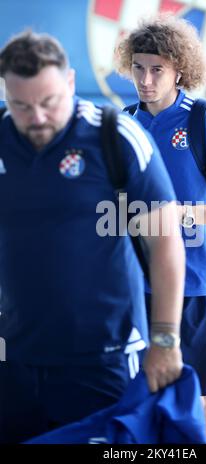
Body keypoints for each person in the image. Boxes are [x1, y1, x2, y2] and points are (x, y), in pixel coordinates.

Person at [0, 30, 186, 444]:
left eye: (48, 102)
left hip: (103, 361)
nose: (38, 118)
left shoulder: (114, 137)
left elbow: (166, 240)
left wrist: (165, 339)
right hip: (14, 359)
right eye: (21, 106)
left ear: (69, 82)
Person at [115, 14, 206, 444]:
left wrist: (182, 214)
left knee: (201, 395)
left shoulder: (203, 120)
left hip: (197, 280)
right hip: (137, 284)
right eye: (138, 66)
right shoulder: (123, 124)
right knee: (138, 395)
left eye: (157, 68)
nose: (145, 78)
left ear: (179, 69)